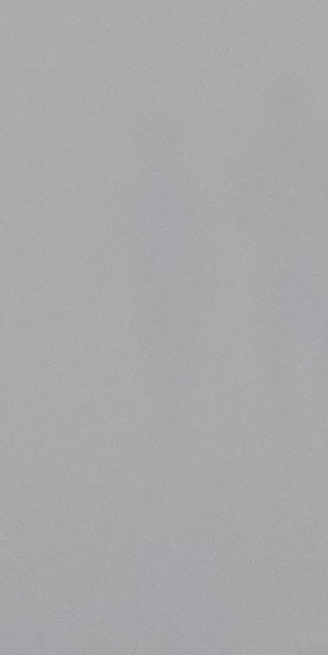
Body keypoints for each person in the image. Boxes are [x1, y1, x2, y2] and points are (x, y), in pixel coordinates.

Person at [236, 79, 328, 417]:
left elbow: (244, 198)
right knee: (311, 319)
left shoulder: (268, 147)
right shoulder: (318, 142)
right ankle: (310, 394)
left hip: (297, 244)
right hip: (303, 244)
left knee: (303, 319)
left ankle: (305, 394)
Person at [116, 113, 222, 440]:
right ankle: (168, 406)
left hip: (166, 276)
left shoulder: (159, 185)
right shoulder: (170, 184)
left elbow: (199, 234)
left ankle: (168, 407)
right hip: (163, 277)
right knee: (168, 340)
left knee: (166, 340)